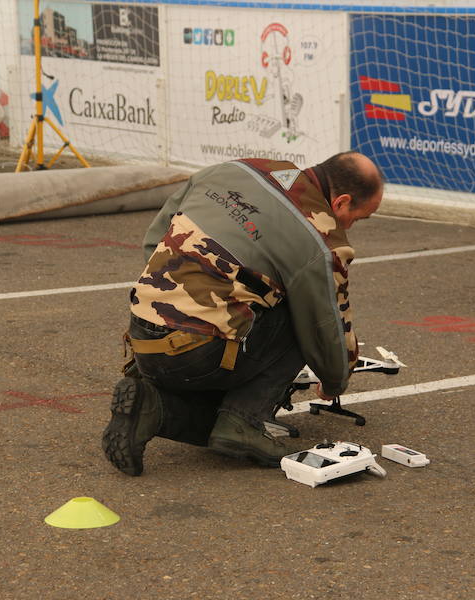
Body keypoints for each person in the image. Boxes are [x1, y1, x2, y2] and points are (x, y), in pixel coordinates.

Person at [102, 151, 383, 476]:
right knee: (298, 309)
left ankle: (153, 404)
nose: (351, 227)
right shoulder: (321, 241)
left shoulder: (236, 170)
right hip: (197, 355)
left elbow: (155, 238)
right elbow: (326, 326)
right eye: (358, 218)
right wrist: (334, 382)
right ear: (341, 203)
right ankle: (244, 421)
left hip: (143, 337)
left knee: (247, 303)